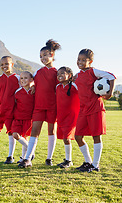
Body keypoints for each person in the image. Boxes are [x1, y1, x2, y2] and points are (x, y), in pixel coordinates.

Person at [19, 39, 60, 168]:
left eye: (45, 55)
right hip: (39, 106)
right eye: (40, 56)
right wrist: (32, 87)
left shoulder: (57, 73)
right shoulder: (38, 72)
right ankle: (28, 159)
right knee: (34, 132)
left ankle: (49, 158)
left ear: (52, 55)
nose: (42, 58)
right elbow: (31, 83)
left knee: (51, 132)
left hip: (52, 107)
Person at [74, 49, 116, 172]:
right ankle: (88, 162)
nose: (80, 62)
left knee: (96, 137)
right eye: (78, 59)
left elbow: (112, 76)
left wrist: (110, 92)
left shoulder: (94, 72)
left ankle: (95, 165)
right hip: (83, 110)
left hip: (96, 108)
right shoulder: (78, 76)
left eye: (83, 60)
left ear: (90, 61)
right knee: (77, 136)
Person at [55, 67, 80, 168]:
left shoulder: (74, 86)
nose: (59, 75)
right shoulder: (57, 87)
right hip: (61, 116)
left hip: (72, 117)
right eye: (58, 74)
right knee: (64, 139)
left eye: (62, 73)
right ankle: (67, 159)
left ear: (69, 76)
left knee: (67, 137)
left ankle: (69, 160)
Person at [11, 71, 35, 163]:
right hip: (17, 118)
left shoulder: (34, 91)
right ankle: (31, 151)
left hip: (29, 118)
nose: (23, 80)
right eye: (21, 78)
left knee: (25, 137)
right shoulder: (17, 92)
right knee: (15, 135)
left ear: (31, 80)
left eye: (26, 78)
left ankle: (24, 158)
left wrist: (34, 86)